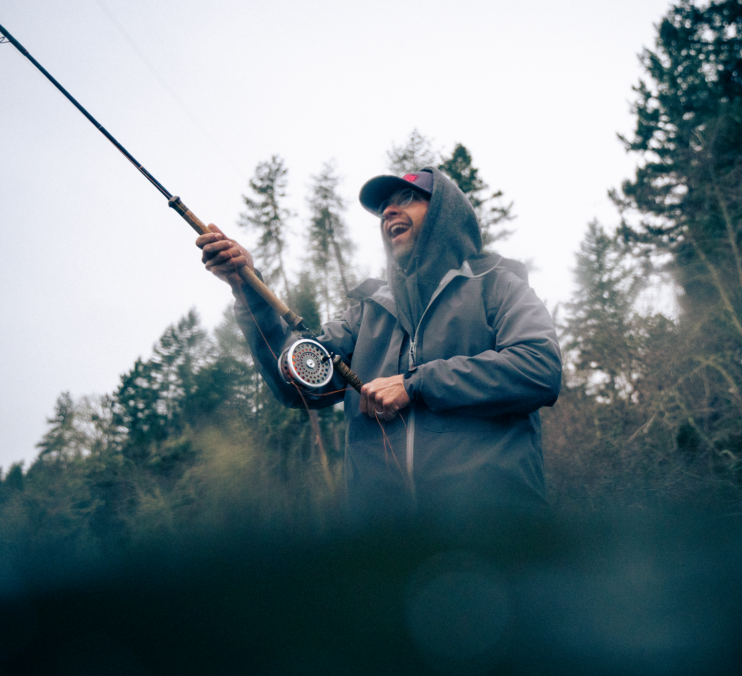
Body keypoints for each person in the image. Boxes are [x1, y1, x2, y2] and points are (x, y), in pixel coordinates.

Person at [196, 168, 562, 522]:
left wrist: (414, 384)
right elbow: (299, 383)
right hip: (384, 547)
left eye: (407, 198)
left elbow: (539, 368)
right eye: (384, 206)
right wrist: (248, 292)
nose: (389, 211)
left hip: (498, 532)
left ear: (445, 216)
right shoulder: (365, 313)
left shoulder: (497, 285)